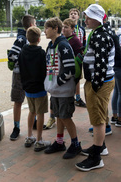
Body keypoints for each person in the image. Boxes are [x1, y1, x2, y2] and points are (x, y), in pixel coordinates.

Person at [75, 4, 115, 171]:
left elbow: (101, 63)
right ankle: (100, 146)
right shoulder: (100, 33)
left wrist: (95, 86)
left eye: (89, 17)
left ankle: (96, 157)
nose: (86, 19)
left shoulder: (100, 36)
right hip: (100, 81)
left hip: (99, 83)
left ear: (97, 19)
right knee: (98, 116)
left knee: (98, 120)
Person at [43, 17, 82, 159]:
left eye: (47, 28)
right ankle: (60, 142)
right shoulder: (51, 45)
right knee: (59, 115)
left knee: (65, 117)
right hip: (55, 90)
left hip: (64, 90)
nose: (44, 31)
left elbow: (70, 69)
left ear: (55, 29)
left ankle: (76, 144)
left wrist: (57, 82)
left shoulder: (63, 45)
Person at [18, 26, 51, 151]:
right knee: (40, 113)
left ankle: (29, 136)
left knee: (31, 112)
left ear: (27, 38)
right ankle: (39, 140)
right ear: (38, 39)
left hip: (28, 88)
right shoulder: (41, 53)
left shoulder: (22, 52)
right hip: (40, 88)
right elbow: (45, 70)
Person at [8, 15, 36, 140]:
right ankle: (16, 127)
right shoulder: (21, 39)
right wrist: (24, 64)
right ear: (31, 25)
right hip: (20, 74)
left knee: (33, 100)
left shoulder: (30, 38)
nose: (36, 25)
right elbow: (12, 55)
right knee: (18, 101)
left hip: (29, 74)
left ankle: (34, 121)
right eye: (35, 23)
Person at [69, 8, 87, 108]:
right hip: (68, 56)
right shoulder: (66, 28)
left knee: (77, 78)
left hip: (78, 58)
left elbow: (84, 44)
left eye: (75, 13)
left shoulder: (82, 30)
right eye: (71, 13)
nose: (73, 15)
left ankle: (78, 97)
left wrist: (82, 55)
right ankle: (69, 97)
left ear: (78, 16)